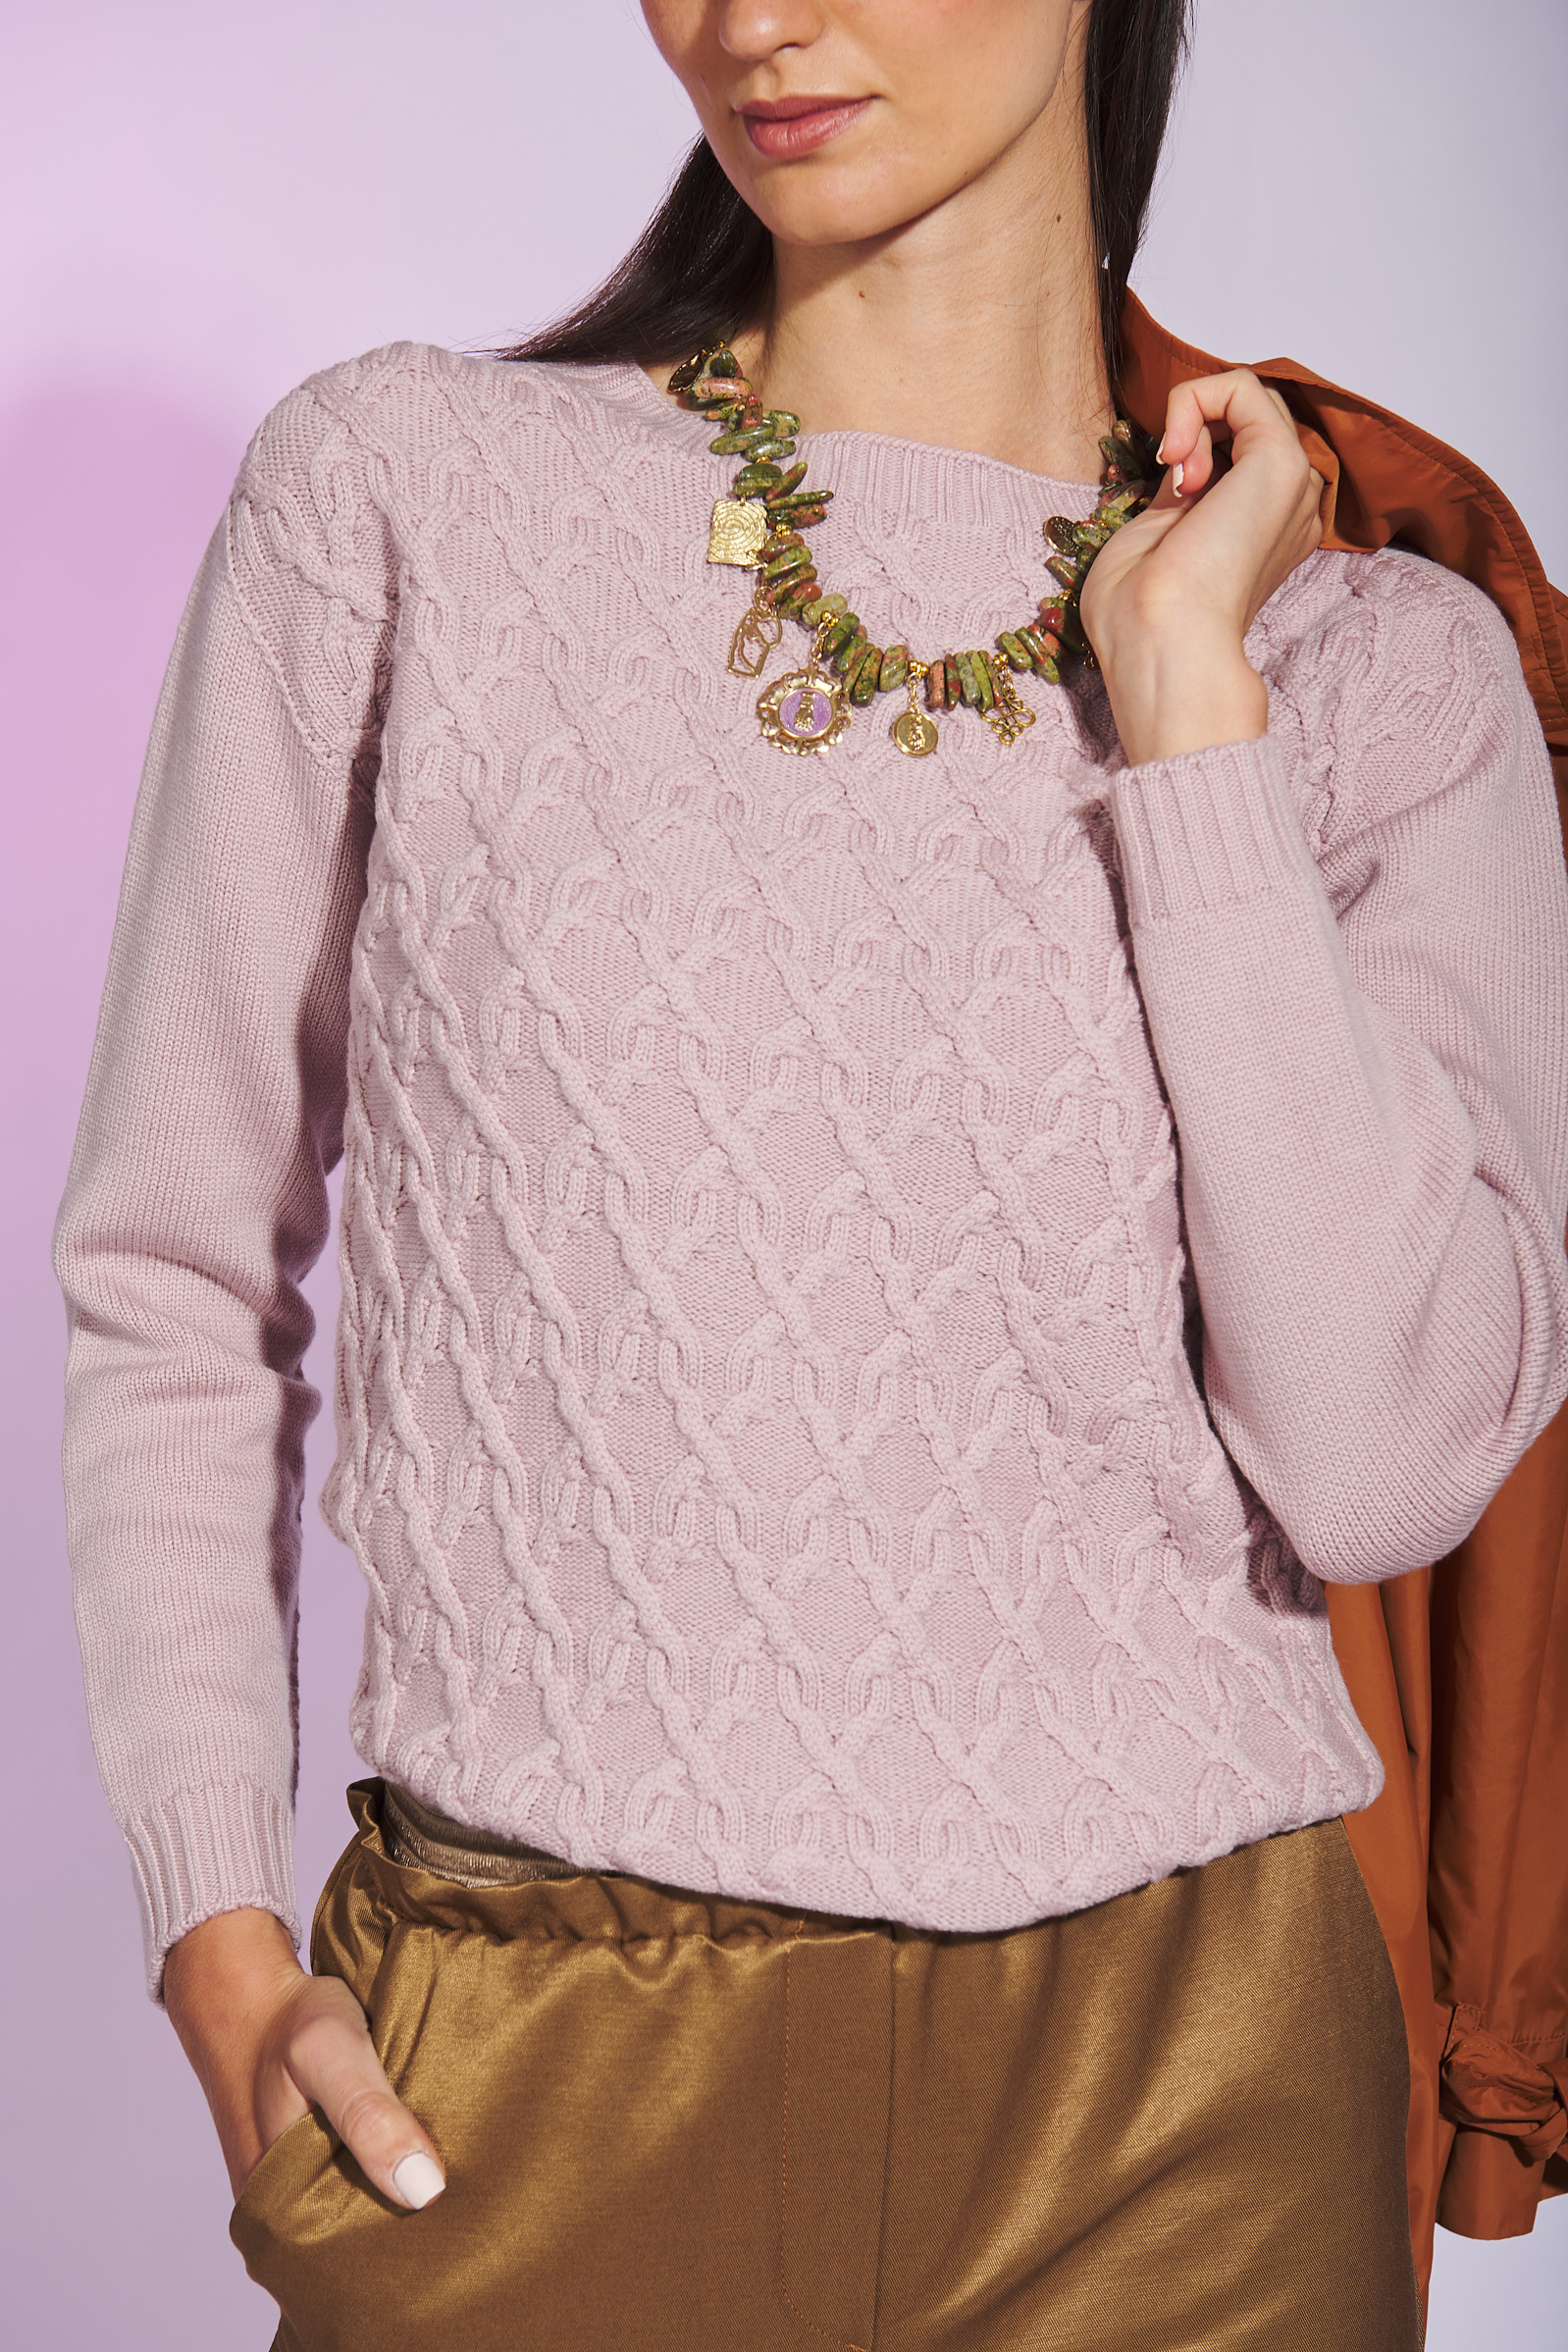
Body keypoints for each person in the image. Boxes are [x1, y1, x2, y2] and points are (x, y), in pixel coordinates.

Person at [54, 2, 1568, 2346]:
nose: (747, 16)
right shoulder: (407, 496)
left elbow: (1378, 1460)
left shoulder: (1373, 664)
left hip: (1183, 2108)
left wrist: (1188, 712)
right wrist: (217, 1943)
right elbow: (171, 1271)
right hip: (536, 2057)